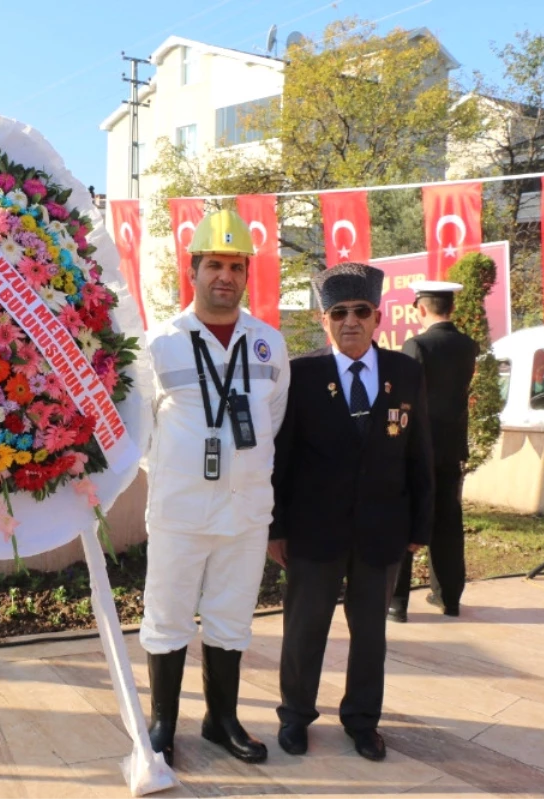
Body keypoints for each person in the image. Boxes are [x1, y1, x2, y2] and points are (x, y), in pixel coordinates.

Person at [141, 209, 290, 766]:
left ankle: (220, 720)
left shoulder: (269, 344)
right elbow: (142, 430)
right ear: (193, 270)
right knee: (168, 614)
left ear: (247, 273)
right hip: (181, 510)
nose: (224, 275)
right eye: (213, 265)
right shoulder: (162, 344)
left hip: (246, 511)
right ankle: (163, 723)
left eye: (235, 265)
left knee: (231, 616)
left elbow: (270, 420)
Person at [268, 263, 433, 762]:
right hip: (315, 532)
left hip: (383, 530)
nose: (350, 321)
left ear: (378, 316)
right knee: (304, 628)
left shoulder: (405, 372)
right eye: (338, 313)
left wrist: (420, 527)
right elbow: (282, 459)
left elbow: (420, 452)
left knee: (371, 634)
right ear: (324, 320)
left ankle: (363, 721)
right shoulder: (302, 374)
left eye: (361, 311)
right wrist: (276, 528)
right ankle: (295, 716)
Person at [389, 281, 479, 621]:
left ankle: (397, 603)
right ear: (451, 309)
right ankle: (449, 598)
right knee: (448, 522)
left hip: (417, 449)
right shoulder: (468, 345)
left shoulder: (417, 345)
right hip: (452, 447)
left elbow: (404, 399)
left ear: (421, 308)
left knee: (406, 519)